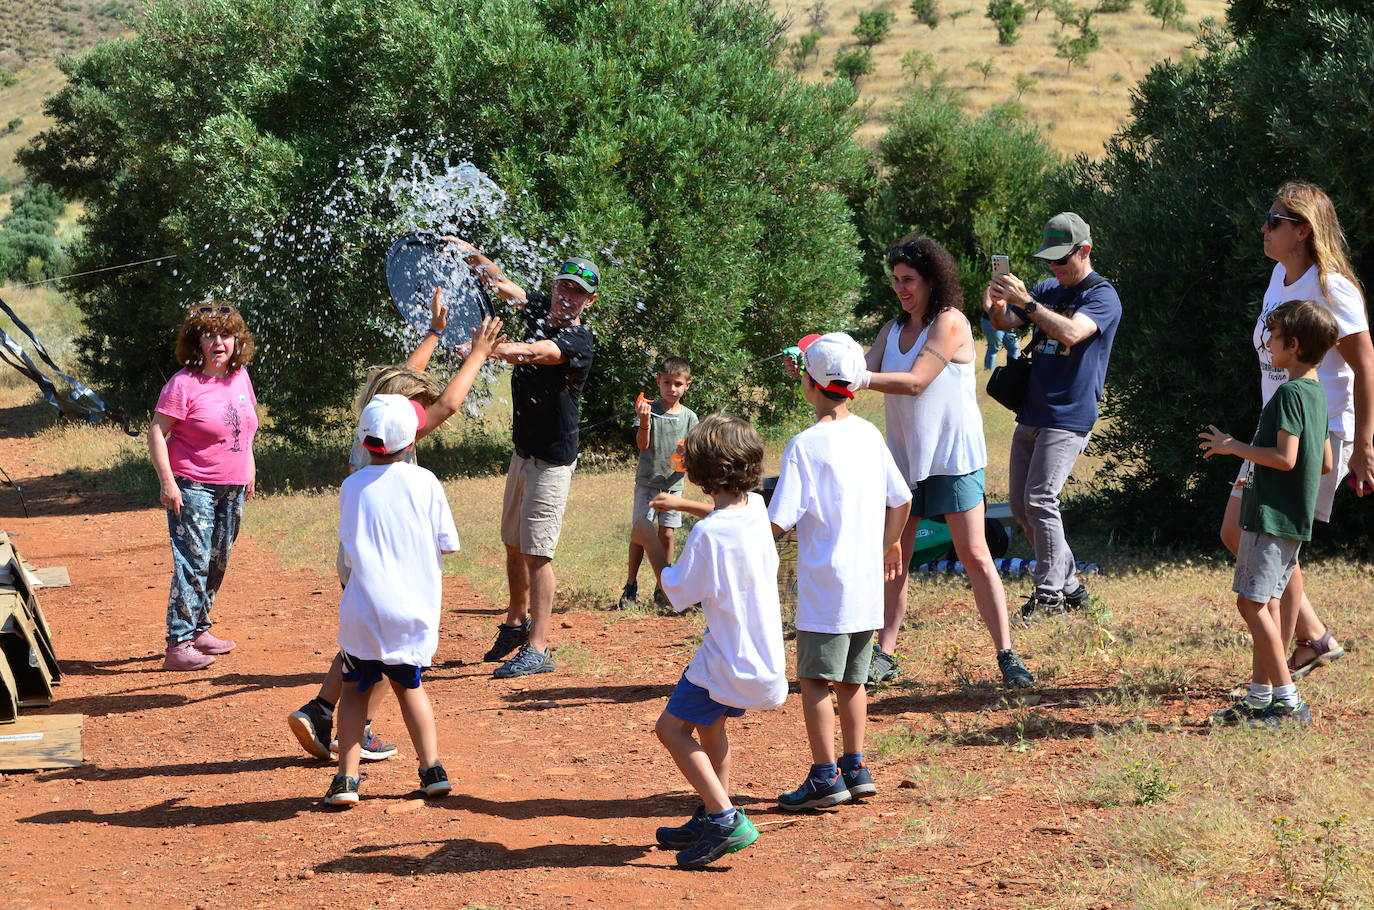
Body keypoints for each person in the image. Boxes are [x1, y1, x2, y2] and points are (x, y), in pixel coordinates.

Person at [289, 289, 502, 763]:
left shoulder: (373, 424)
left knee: (365, 642)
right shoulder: (399, 441)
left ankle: (325, 710)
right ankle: (343, 719)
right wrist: (480, 356)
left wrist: (435, 333)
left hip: (358, 550)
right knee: (386, 652)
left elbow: (402, 383)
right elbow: (447, 404)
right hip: (385, 553)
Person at [863, 236, 1035, 688]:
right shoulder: (889, 330)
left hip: (953, 460)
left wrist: (854, 374)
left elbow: (916, 382)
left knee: (975, 555)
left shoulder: (951, 323)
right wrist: (814, 368)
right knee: (894, 558)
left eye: (909, 280)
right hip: (904, 463)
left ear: (932, 280)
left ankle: (1007, 654)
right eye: (896, 280)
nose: (900, 289)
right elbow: (854, 378)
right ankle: (884, 654)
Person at [1220, 182, 1374, 686]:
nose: (1263, 228)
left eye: (1274, 221)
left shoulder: (1333, 288)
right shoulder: (1278, 277)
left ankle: (1274, 680)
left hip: (1316, 431)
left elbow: (1365, 366)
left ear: (1302, 230)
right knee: (1235, 531)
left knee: (1275, 542)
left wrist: (1363, 445)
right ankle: (1311, 637)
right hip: (1276, 424)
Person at [630, 414, 787, 868]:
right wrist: (680, 510)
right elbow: (726, 515)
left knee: (671, 729)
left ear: (699, 472)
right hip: (759, 656)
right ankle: (709, 811)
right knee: (709, 725)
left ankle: (725, 818)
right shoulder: (756, 509)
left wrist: (652, 545)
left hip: (725, 659)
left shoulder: (709, 536)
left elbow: (676, 594)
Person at [768, 333, 911, 811]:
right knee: (853, 681)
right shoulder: (869, 434)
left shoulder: (805, 445)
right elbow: (902, 498)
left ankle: (825, 775)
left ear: (810, 384)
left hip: (824, 588)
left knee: (812, 679)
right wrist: (891, 542)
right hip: (866, 588)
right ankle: (856, 766)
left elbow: (779, 520)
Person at [444, 238, 596, 678]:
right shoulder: (536, 312)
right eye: (563, 288)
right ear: (554, 287)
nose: (568, 298)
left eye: (578, 293)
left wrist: (481, 351)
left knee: (538, 553)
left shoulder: (576, 339)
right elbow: (501, 284)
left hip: (552, 461)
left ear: (590, 300)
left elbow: (533, 352)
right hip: (523, 453)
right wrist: (467, 251)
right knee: (513, 543)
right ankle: (515, 622)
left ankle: (539, 648)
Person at [1199, 300, 1338, 729]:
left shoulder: (1290, 392)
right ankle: (1260, 698)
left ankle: (1288, 701)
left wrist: (1233, 446)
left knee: (1251, 604)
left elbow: (1285, 456)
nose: (1268, 346)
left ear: (1293, 345)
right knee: (1263, 603)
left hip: (1271, 519)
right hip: (1291, 519)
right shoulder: (1316, 393)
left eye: (1274, 339)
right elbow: (1327, 462)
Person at [322, 394, 461, 806]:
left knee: (354, 691)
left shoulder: (352, 486)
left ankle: (347, 779)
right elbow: (447, 543)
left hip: (365, 609)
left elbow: (348, 548)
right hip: (413, 610)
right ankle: (432, 769)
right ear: (411, 441)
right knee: (409, 688)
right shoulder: (427, 482)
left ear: (364, 442)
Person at [984, 212, 1122, 617]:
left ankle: (1049, 594)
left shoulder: (1102, 295)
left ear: (1085, 250)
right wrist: (995, 303)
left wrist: (1027, 301)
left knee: (1042, 499)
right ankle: (1072, 586)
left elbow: (1072, 333)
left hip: (1069, 413)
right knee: (1022, 505)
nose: (1055, 268)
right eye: (1050, 260)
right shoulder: (1048, 287)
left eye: (1062, 260)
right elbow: (1006, 321)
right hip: (1032, 410)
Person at [148, 303, 259, 671]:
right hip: (193, 484)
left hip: (232, 485)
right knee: (192, 561)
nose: (218, 342)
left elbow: (246, 425)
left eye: (225, 335)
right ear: (196, 343)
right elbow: (157, 433)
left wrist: (250, 467)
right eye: (209, 335)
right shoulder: (183, 384)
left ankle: (198, 629)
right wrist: (168, 482)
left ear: (236, 341)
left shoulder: (240, 376)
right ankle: (178, 643)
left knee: (217, 560)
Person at [619, 357, 699, 609]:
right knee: (640, 533)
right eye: (666, 383)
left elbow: (695, 450)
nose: (671, 389)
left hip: (673, 484)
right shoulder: (649, 410)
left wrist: (688, 453)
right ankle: (630, 585)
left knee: (667, 533)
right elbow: (642, 445)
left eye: (677, 384)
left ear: (687, 385)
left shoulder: (690, 417)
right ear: (658, 382)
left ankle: (663, 586)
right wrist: (643, 422)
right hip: (647, 481)